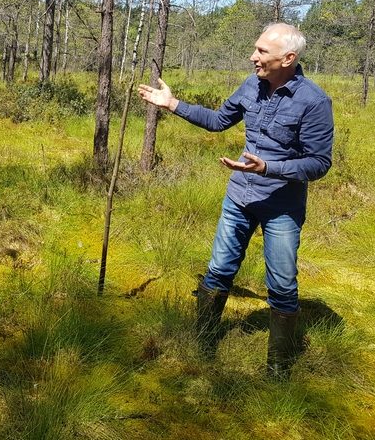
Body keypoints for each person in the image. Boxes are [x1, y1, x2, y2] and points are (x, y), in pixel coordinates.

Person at [137, 22, 334, 379]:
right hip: (239, 197)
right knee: (219, 269)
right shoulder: (250, 85)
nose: (252, 56)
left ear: (288, 58)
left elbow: (319, 163)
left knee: (282, 283)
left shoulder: (314, 101)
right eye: (255, 49)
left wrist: (269, 168)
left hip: (282, 206)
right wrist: (172, 103)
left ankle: (277, 369)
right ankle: (204, 343)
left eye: (261, 51)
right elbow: (216, 120)